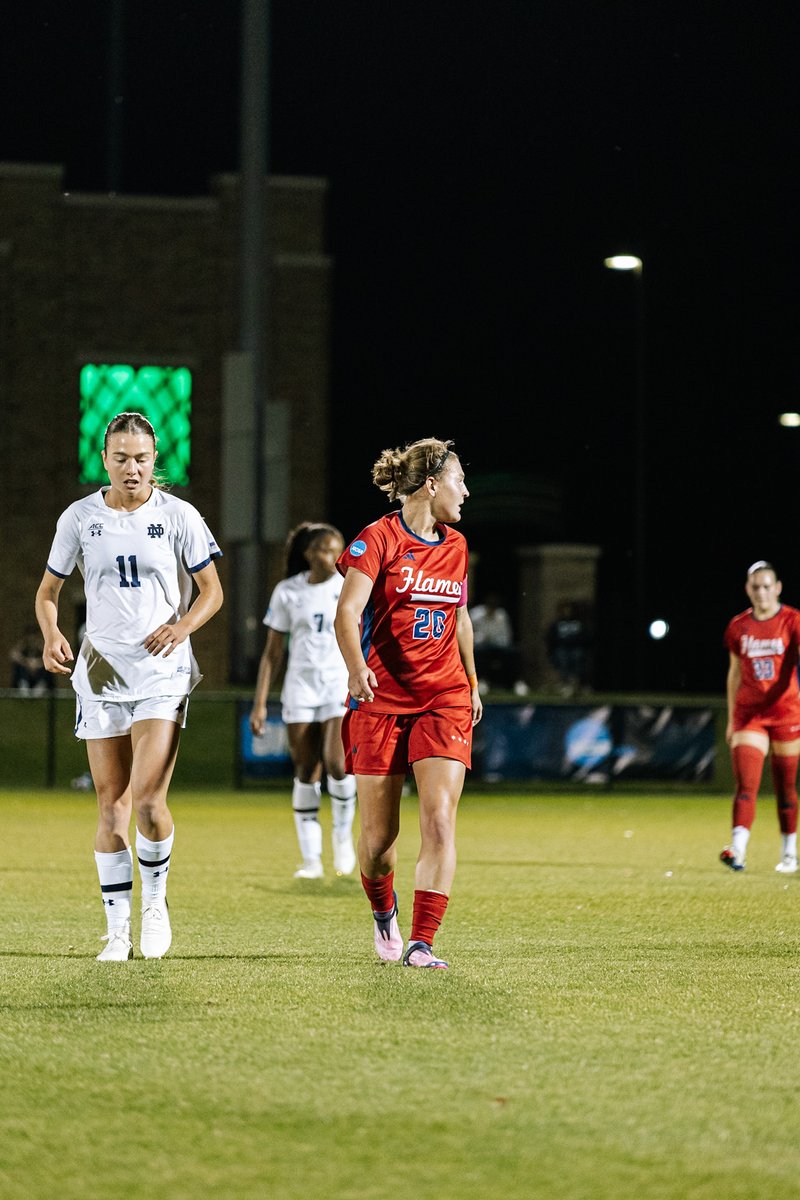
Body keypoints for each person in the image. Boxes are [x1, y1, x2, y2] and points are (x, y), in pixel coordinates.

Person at [35, 410, 223, 962]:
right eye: (121, 458)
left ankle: (156, 905)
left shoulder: (179, 515)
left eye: (141, 459)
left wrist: (181, 626)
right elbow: (48, 592)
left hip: (162, 670)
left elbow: (211, 591)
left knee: (146, 799)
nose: (132, 468)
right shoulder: (80, 517)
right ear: (104, 459)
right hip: (100, 670)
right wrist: (52, 634)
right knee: (110, 806)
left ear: (155, 458)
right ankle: (117, 930)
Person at [334, 437, 483, 970]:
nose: (466, 491)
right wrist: (356, 669)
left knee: (440, 819)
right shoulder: (376, 539)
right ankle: (383, 914)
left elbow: (460, 616)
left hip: (444, 699)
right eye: (459, 480)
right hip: (379, 701)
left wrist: (470, 679)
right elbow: (347, 613)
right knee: (378, 844)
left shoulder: (458, 547)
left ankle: (422, 942)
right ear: (431, 484)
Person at [249, 521, 358, 879]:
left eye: (337, 549)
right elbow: (272, 654)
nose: (335, 556)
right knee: (306, 770)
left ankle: (342, 838)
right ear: (310, 554)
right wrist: (260, 702)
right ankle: (311, 859)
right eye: (327, 549)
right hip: (300, 688)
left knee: (336, 763)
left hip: (337, 685)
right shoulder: (287, 592)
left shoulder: (348, 588)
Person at [720, 560, 800, 874]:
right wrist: (731, 718)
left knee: (785, 787)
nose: (762, 592)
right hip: (749, 714)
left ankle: (789, 852)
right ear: (747, 590)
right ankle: (737, 850)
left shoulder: (792, 620)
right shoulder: (738, 626)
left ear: (778, 588)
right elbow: (734, 673)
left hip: (786, 712)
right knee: (746, 784)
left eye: (767, 586)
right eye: (756, 586)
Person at [469, 590, 518, 691]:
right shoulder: (475, 614)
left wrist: (498, 641)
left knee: (512, 652)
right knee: (479, 653)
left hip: (497, 645)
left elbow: (506, 635)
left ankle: (514, 682)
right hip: (480, 645)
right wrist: (481, 637)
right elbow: (468, 634)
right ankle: (482, 681)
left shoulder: (501, 615)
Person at [9, 624, 51, 694]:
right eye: (30, 635)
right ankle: (23, 686)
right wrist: (27, 662)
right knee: (19, 667)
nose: (32, 638)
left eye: (34, 635)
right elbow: (13, 655)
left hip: (38, 674)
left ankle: (40, 687)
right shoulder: (24, 645)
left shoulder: (41, 645)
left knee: (47, 668)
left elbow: (51, 658)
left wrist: (37, 663)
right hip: (26, 673)